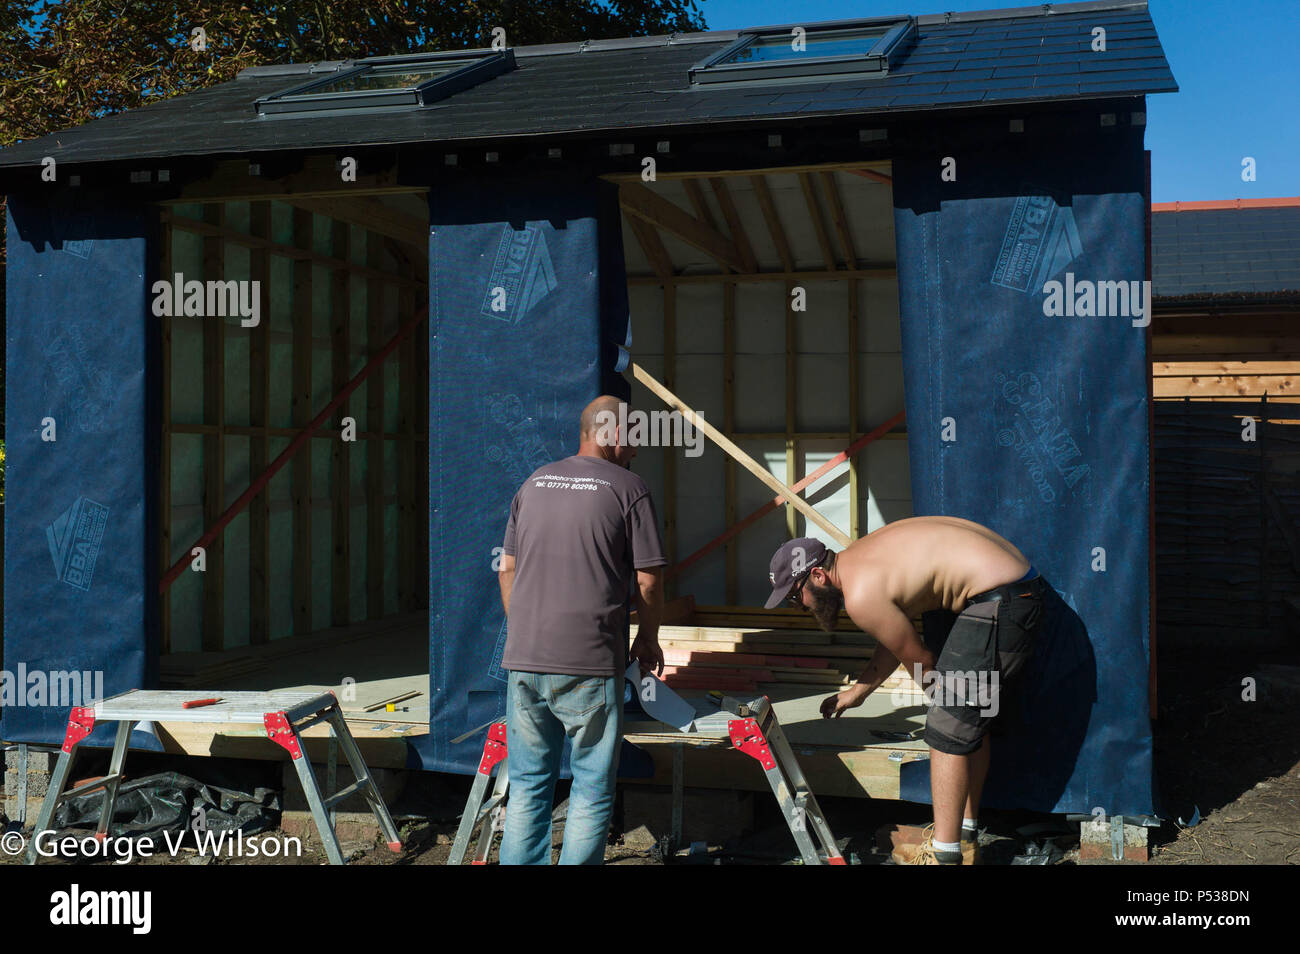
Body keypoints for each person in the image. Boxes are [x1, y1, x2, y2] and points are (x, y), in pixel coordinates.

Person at [764, 517, 1048, 865]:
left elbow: (920, 659)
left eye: (796, 595)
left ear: (818, 576)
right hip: (1011, 589)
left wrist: (944, 707)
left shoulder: (861, 594)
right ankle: (965, 833)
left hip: (1001, 599)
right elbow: (895, 640)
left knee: (949, 728)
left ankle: (944, 856)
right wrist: (858, 693)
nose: (801, 606)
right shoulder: (862, 561)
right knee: (970, 719)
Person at [496, 395, 666, 865]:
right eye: (634, 436)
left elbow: (506, 568)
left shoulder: (533, 483)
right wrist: (648, 638)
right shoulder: (630, 489)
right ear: (610, 434)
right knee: (591, 788)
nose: (637, 448)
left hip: (525, 660)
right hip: (589, 662)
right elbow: (649, 580)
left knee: (529, 785)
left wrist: (528, 625)